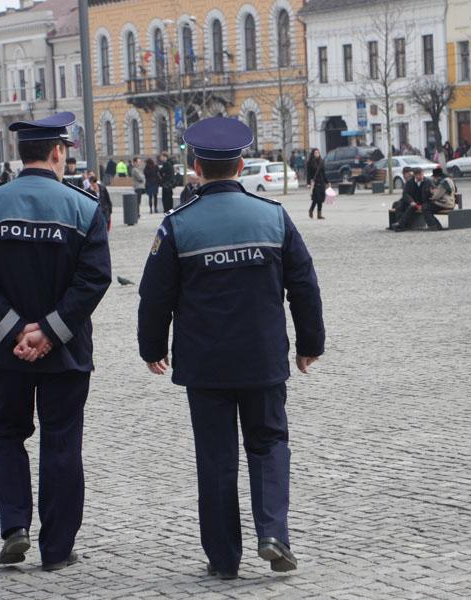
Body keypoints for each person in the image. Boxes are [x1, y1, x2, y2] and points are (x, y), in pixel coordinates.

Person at [137, 117, 324, 579]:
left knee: (216, 458)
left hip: (206, 365)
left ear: (197, 167)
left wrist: (152, 347)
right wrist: (309, 344)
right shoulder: (274, 217)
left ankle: (223, 559)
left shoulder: (177, 226)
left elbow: (154, 295)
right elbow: (303, 284)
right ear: (241, 165)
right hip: (262, 358)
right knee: (269, 443)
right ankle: (273, 533)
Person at [0, 111, 111, 571]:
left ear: (19, 154)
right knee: (61, 443)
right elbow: (94, 279)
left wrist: (12, 330)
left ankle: (15, 526)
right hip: (64, 351)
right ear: (58, 152)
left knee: (6, 434)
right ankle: (58, 548)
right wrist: (49, 331)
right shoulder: (84, 208)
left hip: (5, 354)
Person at [391, 167, 431, 231]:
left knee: (411, 208)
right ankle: (400, 224)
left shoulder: (428, 182)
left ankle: (400, 225)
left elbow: (430, 195)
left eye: (422, 174)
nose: (421, 176)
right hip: (413, 201)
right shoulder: (410, 182)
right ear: (415, 175)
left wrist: (422, 204)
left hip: (422, 202)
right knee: (399, 206)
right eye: (419, 175)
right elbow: (405, 194)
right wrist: (411, 201)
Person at [306, 149, 328, 219]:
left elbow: (323, 173)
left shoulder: (321, 161)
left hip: (321, 182)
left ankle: (319, 214)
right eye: (315, 152)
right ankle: (311, 210)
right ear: (313, 154)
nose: (317, 153)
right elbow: (308, 174)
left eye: (318, 152)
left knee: (320, 199)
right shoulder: (310, 162)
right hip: (315, 182)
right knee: (317, 198)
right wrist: (308, 183)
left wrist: (327, 181)